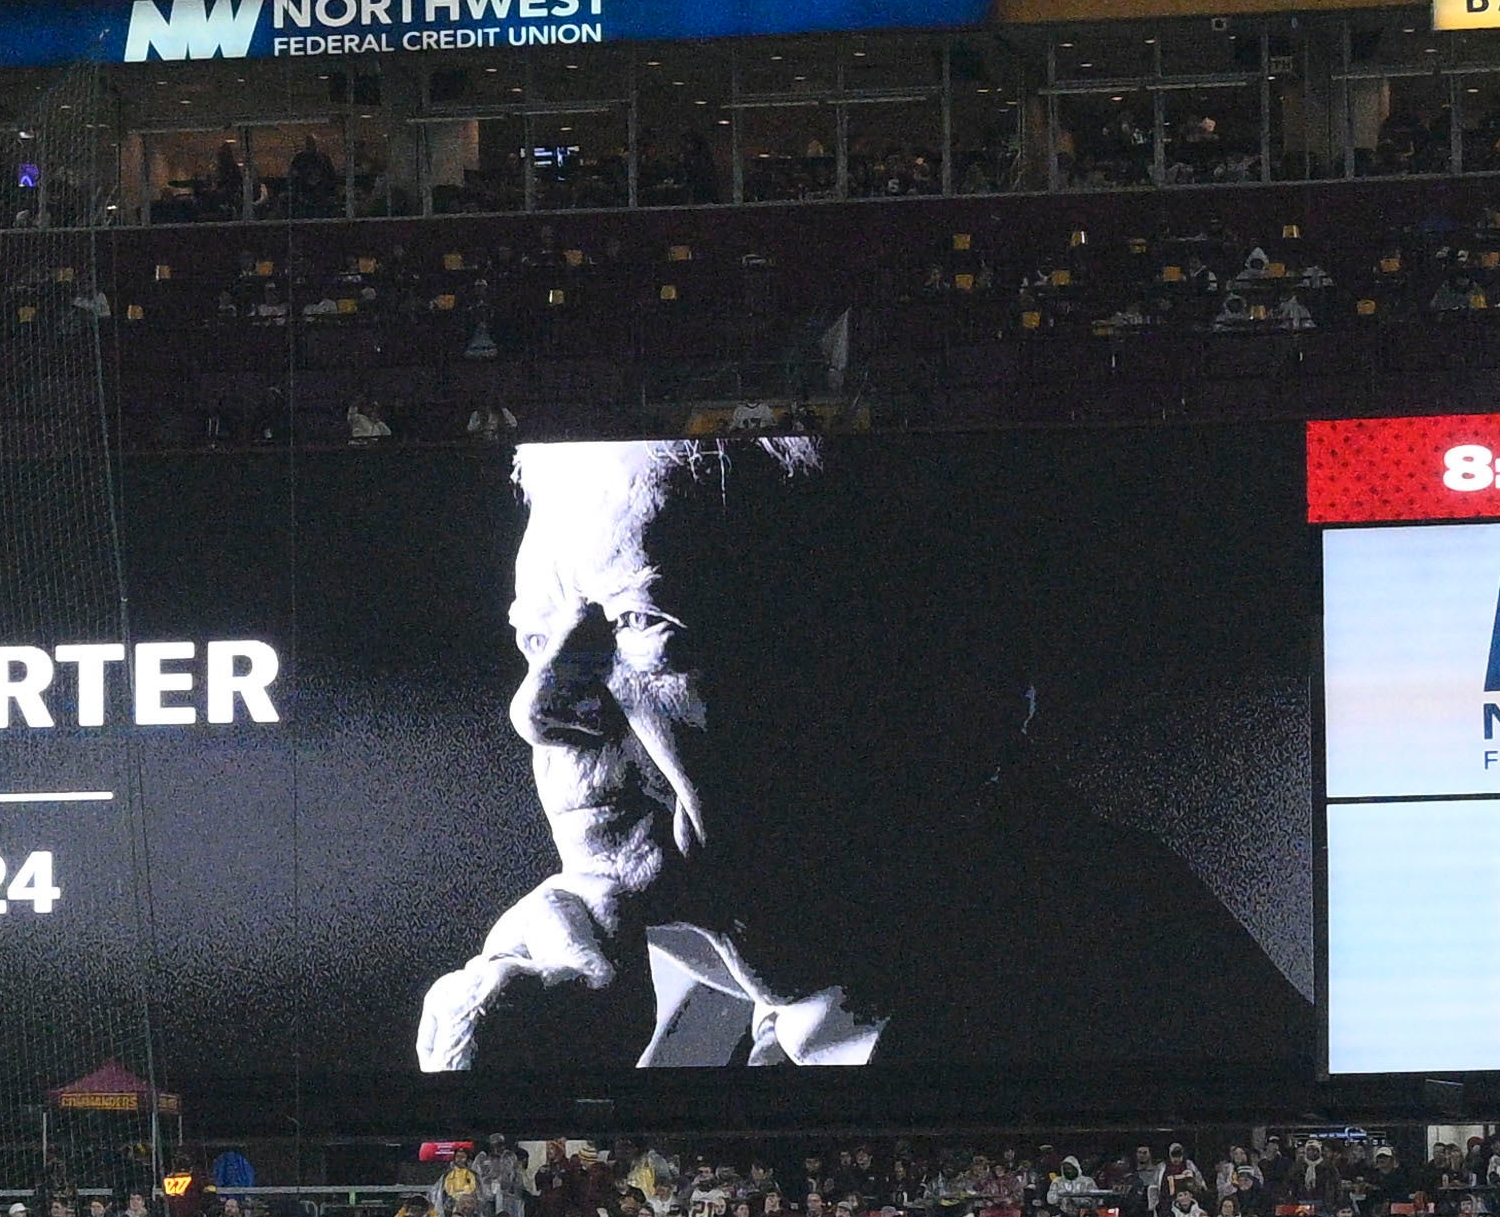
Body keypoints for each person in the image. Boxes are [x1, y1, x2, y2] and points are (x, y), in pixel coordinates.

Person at [408, 431, 1304, 1071]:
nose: (535, 711)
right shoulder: (607, 1008)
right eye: (535, 638)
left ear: (915, 673)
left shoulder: (1143, 1013)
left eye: (643, 623)